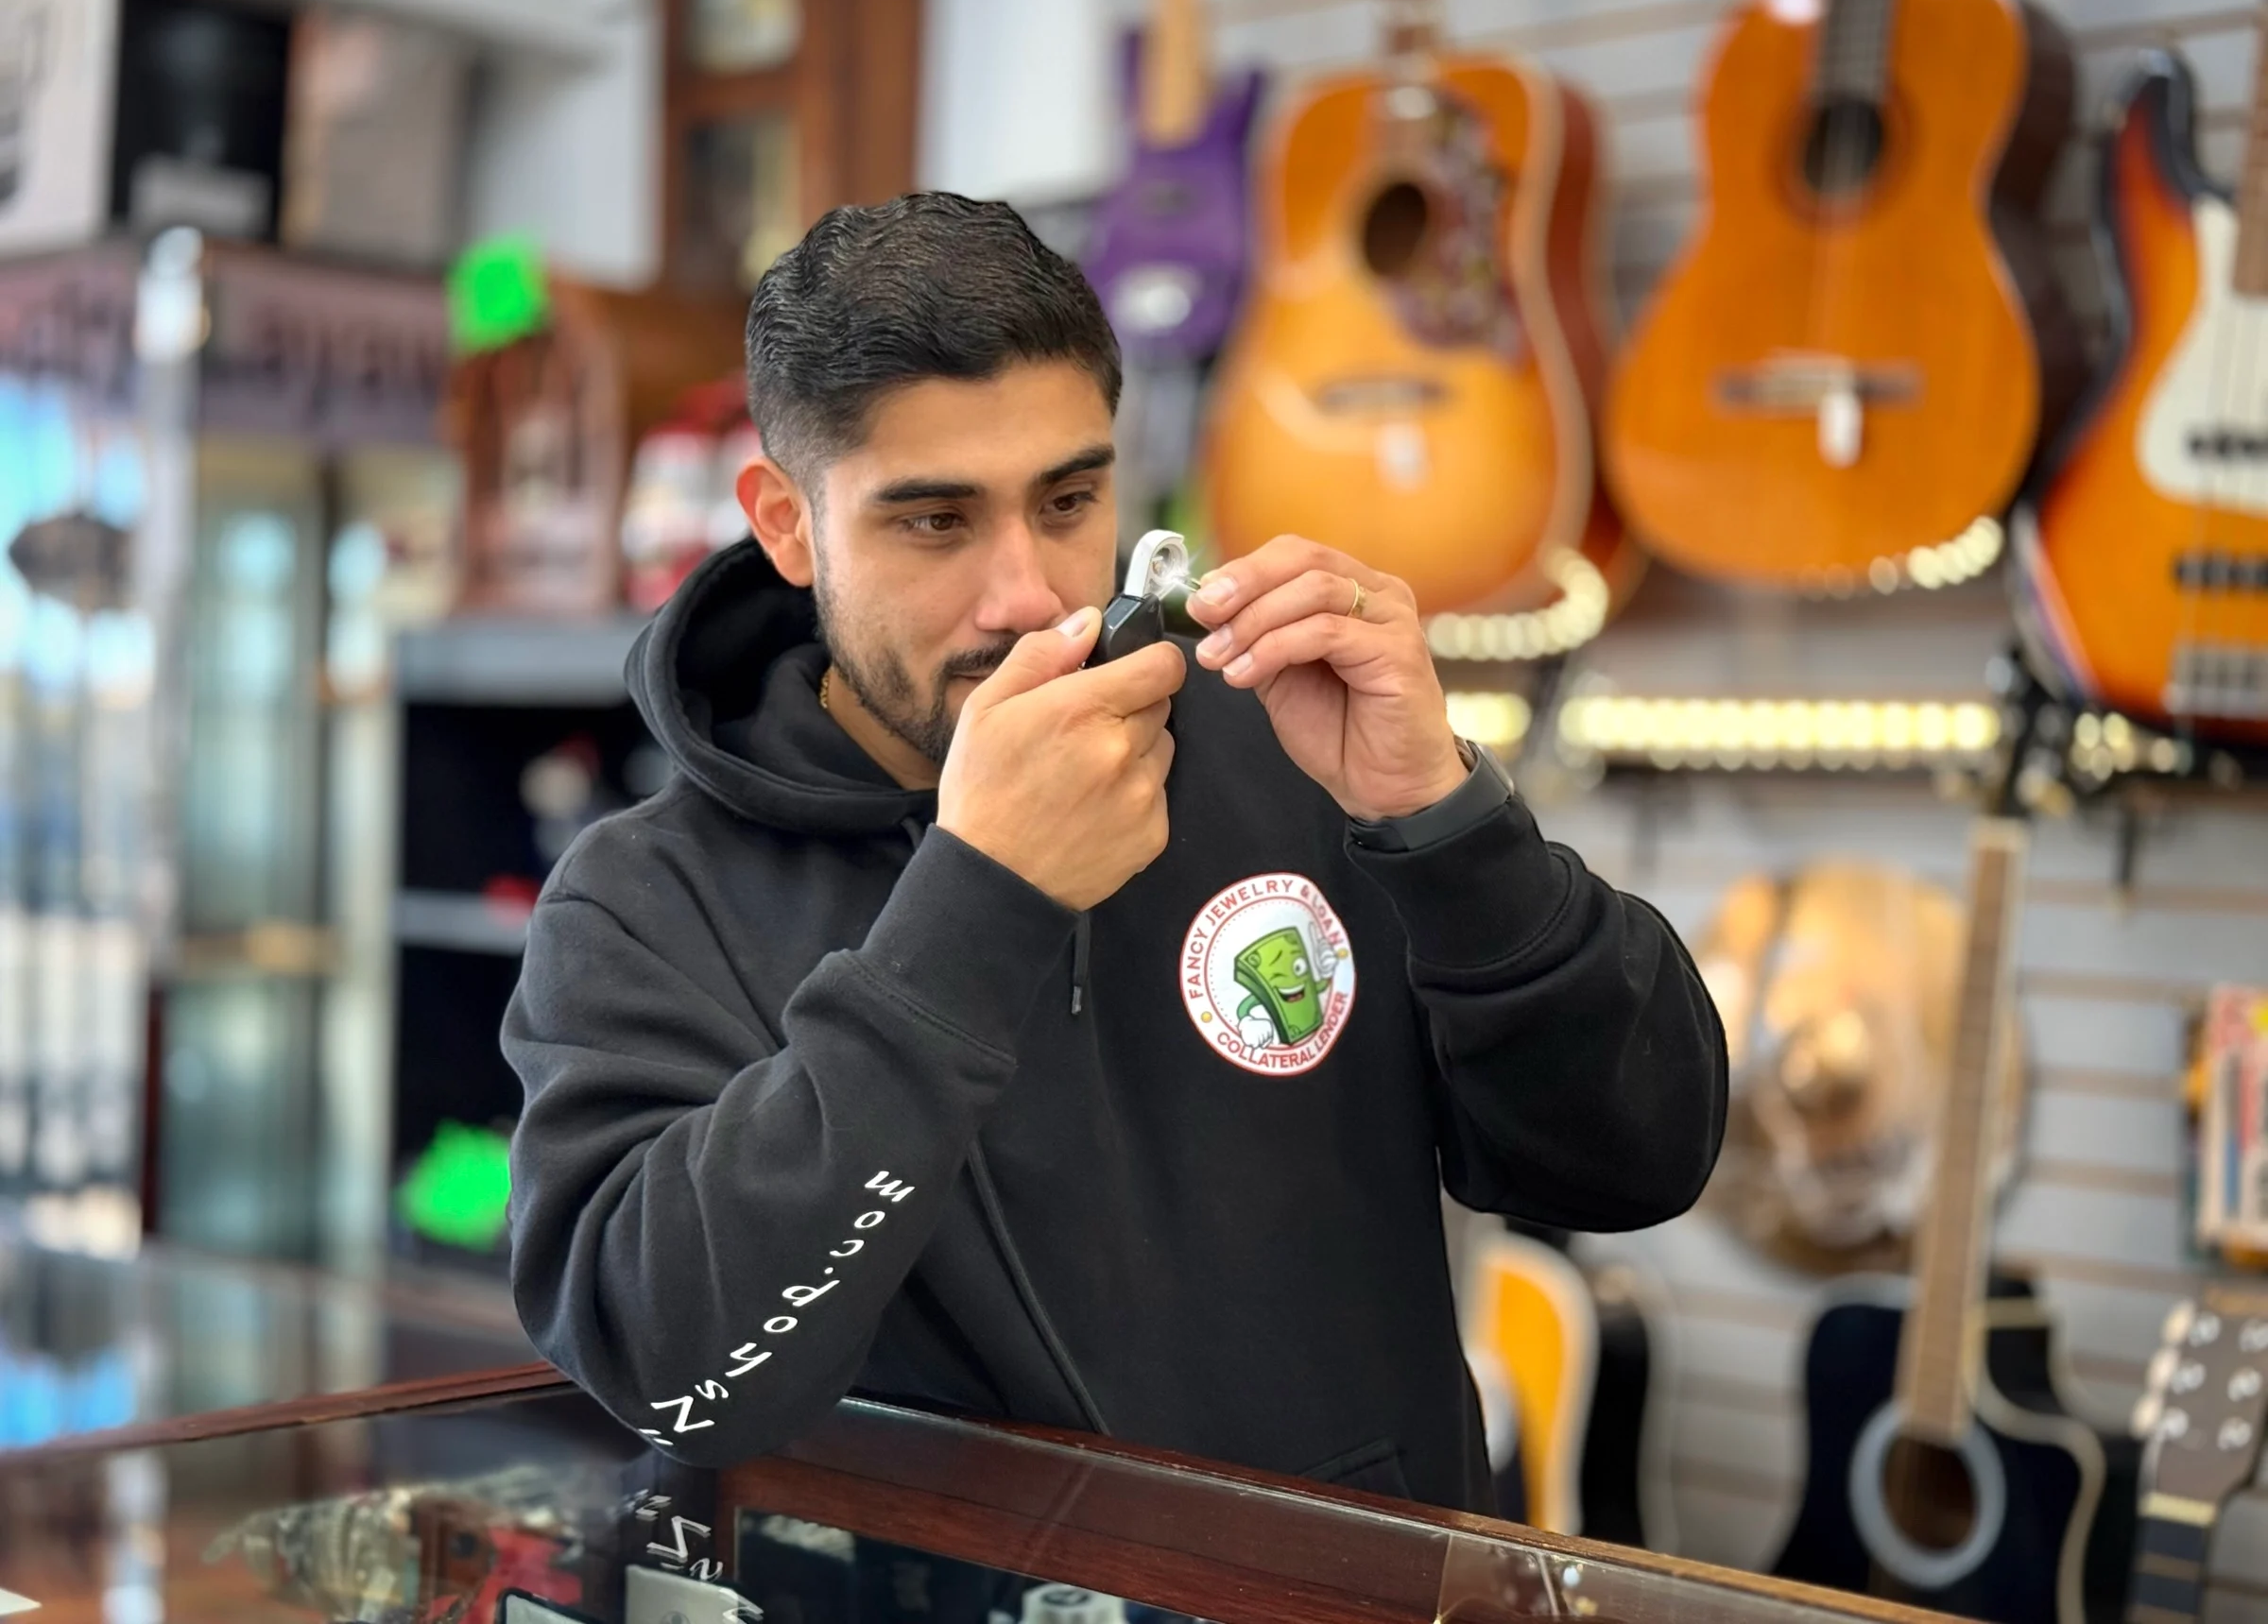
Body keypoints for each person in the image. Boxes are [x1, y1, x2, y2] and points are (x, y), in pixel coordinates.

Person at [502, 192, 1727, 1511]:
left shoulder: (1282, 742)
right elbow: (681, 1377)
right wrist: (976, 905)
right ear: (789, 523)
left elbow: (1637, 1162)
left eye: (1070, 497)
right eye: (934, 521)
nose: (1025, 593)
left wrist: (1447, 821)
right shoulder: (642, 902)